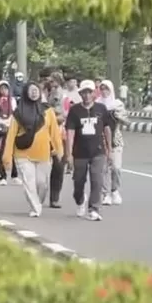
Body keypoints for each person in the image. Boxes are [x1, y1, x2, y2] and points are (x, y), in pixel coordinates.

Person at [3, 83, 64, 218]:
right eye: (31, 90)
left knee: (42, 183)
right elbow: (11, 135)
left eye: (36, 90)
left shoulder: (48, 111)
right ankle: (36, 207)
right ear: (25, 93)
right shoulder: (18, 113)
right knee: (29, 182)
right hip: (23, 154)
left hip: (43, 154)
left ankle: (38, 202)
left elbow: (54, 133)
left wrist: (59, 150)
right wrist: (7, 157)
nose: (34, 93)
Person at [65, 80, 113, 221]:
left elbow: (107, 129)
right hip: (80, 152)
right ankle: (80, 200)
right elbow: (70, 132)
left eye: (89, 92)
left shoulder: (101, 109)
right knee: (79, 181)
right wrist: (69, 154)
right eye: (84, 93)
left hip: (98, 151)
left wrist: (109, 149)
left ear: (94, 93)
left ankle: (94, 209)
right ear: (80, 94)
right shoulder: (75, 111)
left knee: (97, 179)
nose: (86, 95)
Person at [43, 74, 68, 208]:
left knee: (58, 166)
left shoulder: (65, 96)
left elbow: (64, 115)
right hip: (44, 134)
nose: (54, 87)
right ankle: (38, 194)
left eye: (56, 84)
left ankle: (54, 198)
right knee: (40, 167)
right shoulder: (42, 95)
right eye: (51, 83)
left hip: (60, 134)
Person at [0, 82, 19, 185]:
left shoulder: (12, 100)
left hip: (9, 128)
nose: (4, 91)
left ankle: (14, 175)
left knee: (11, 151)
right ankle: (2, 176)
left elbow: (15, 114)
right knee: (0, 153)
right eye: (1, 89)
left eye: (5, 89)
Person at [102, 99, 130, 205]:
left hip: (116, 141)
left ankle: (114, 190)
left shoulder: (116, 104)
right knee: (104, 169)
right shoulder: (98, 104)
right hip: (101, 141)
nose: (104, 91)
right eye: (102, 89)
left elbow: (127, 122)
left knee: (116, 167)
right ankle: (105, 194)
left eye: (106, 89)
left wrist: (118, 116)